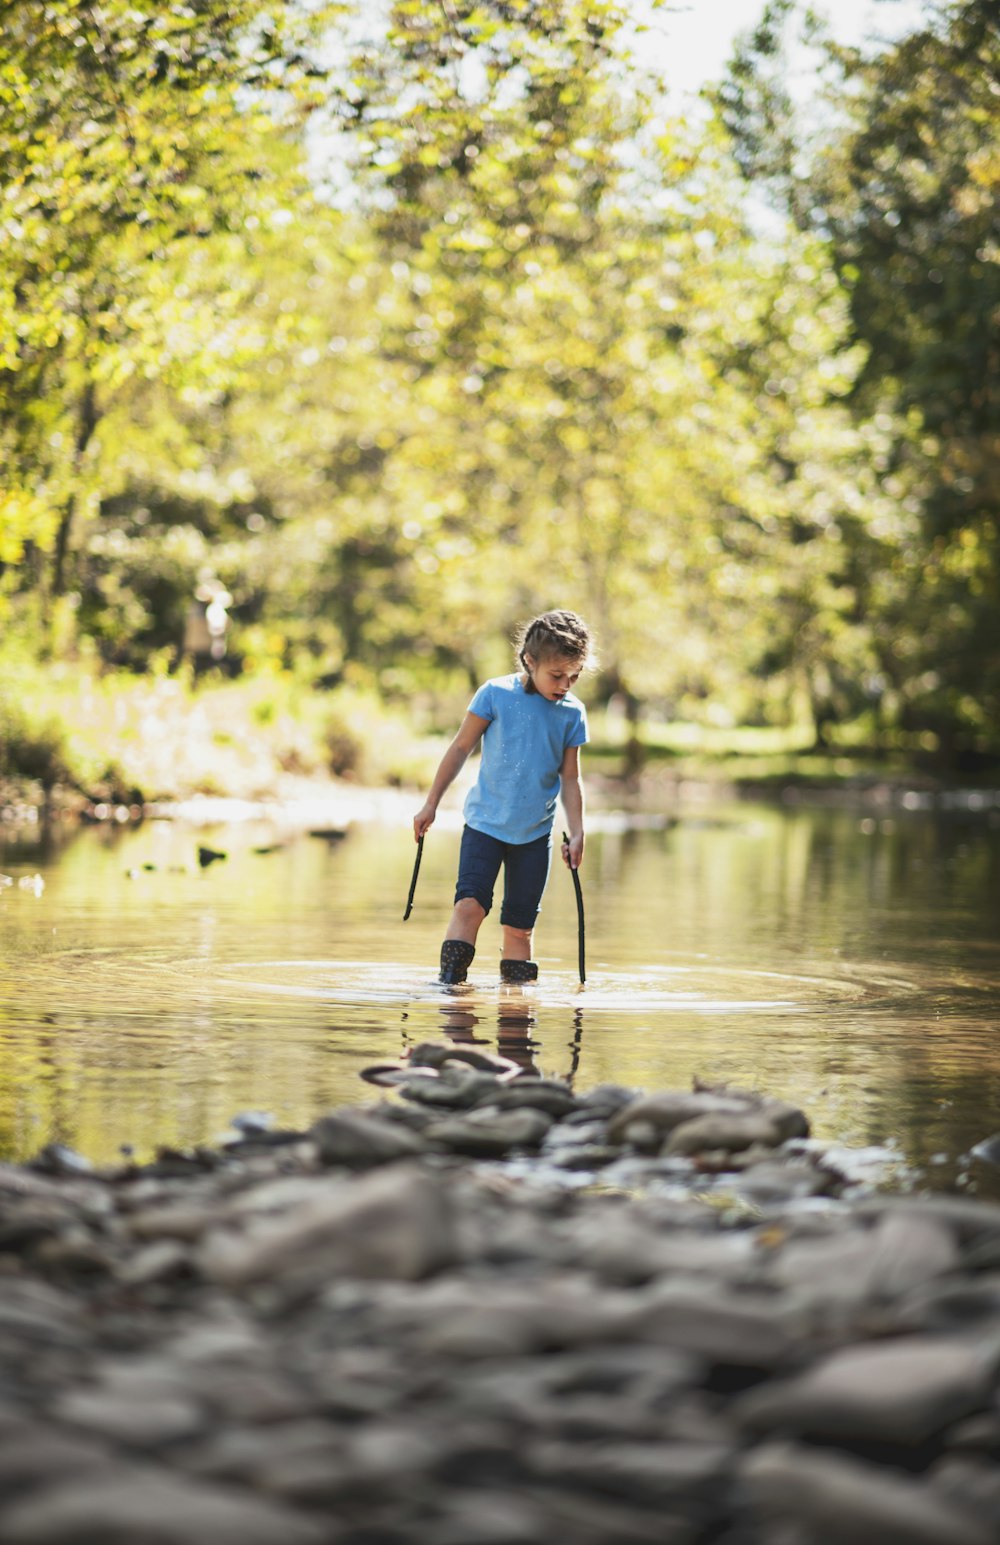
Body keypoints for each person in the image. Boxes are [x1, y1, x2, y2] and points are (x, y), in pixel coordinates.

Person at [413, 609, 595, 984]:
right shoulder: (495, 694)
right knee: (469, 906)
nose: (566, 684)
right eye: (557, 675)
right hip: (485, 826)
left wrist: (577, 832)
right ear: (530, 661)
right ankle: (450, 993)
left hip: (534, 835)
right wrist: (431, 803)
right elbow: (461, 747)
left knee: (520, 927)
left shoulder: (572, 713)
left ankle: (515, 1017)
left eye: (574, 676)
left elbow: (571, 778)